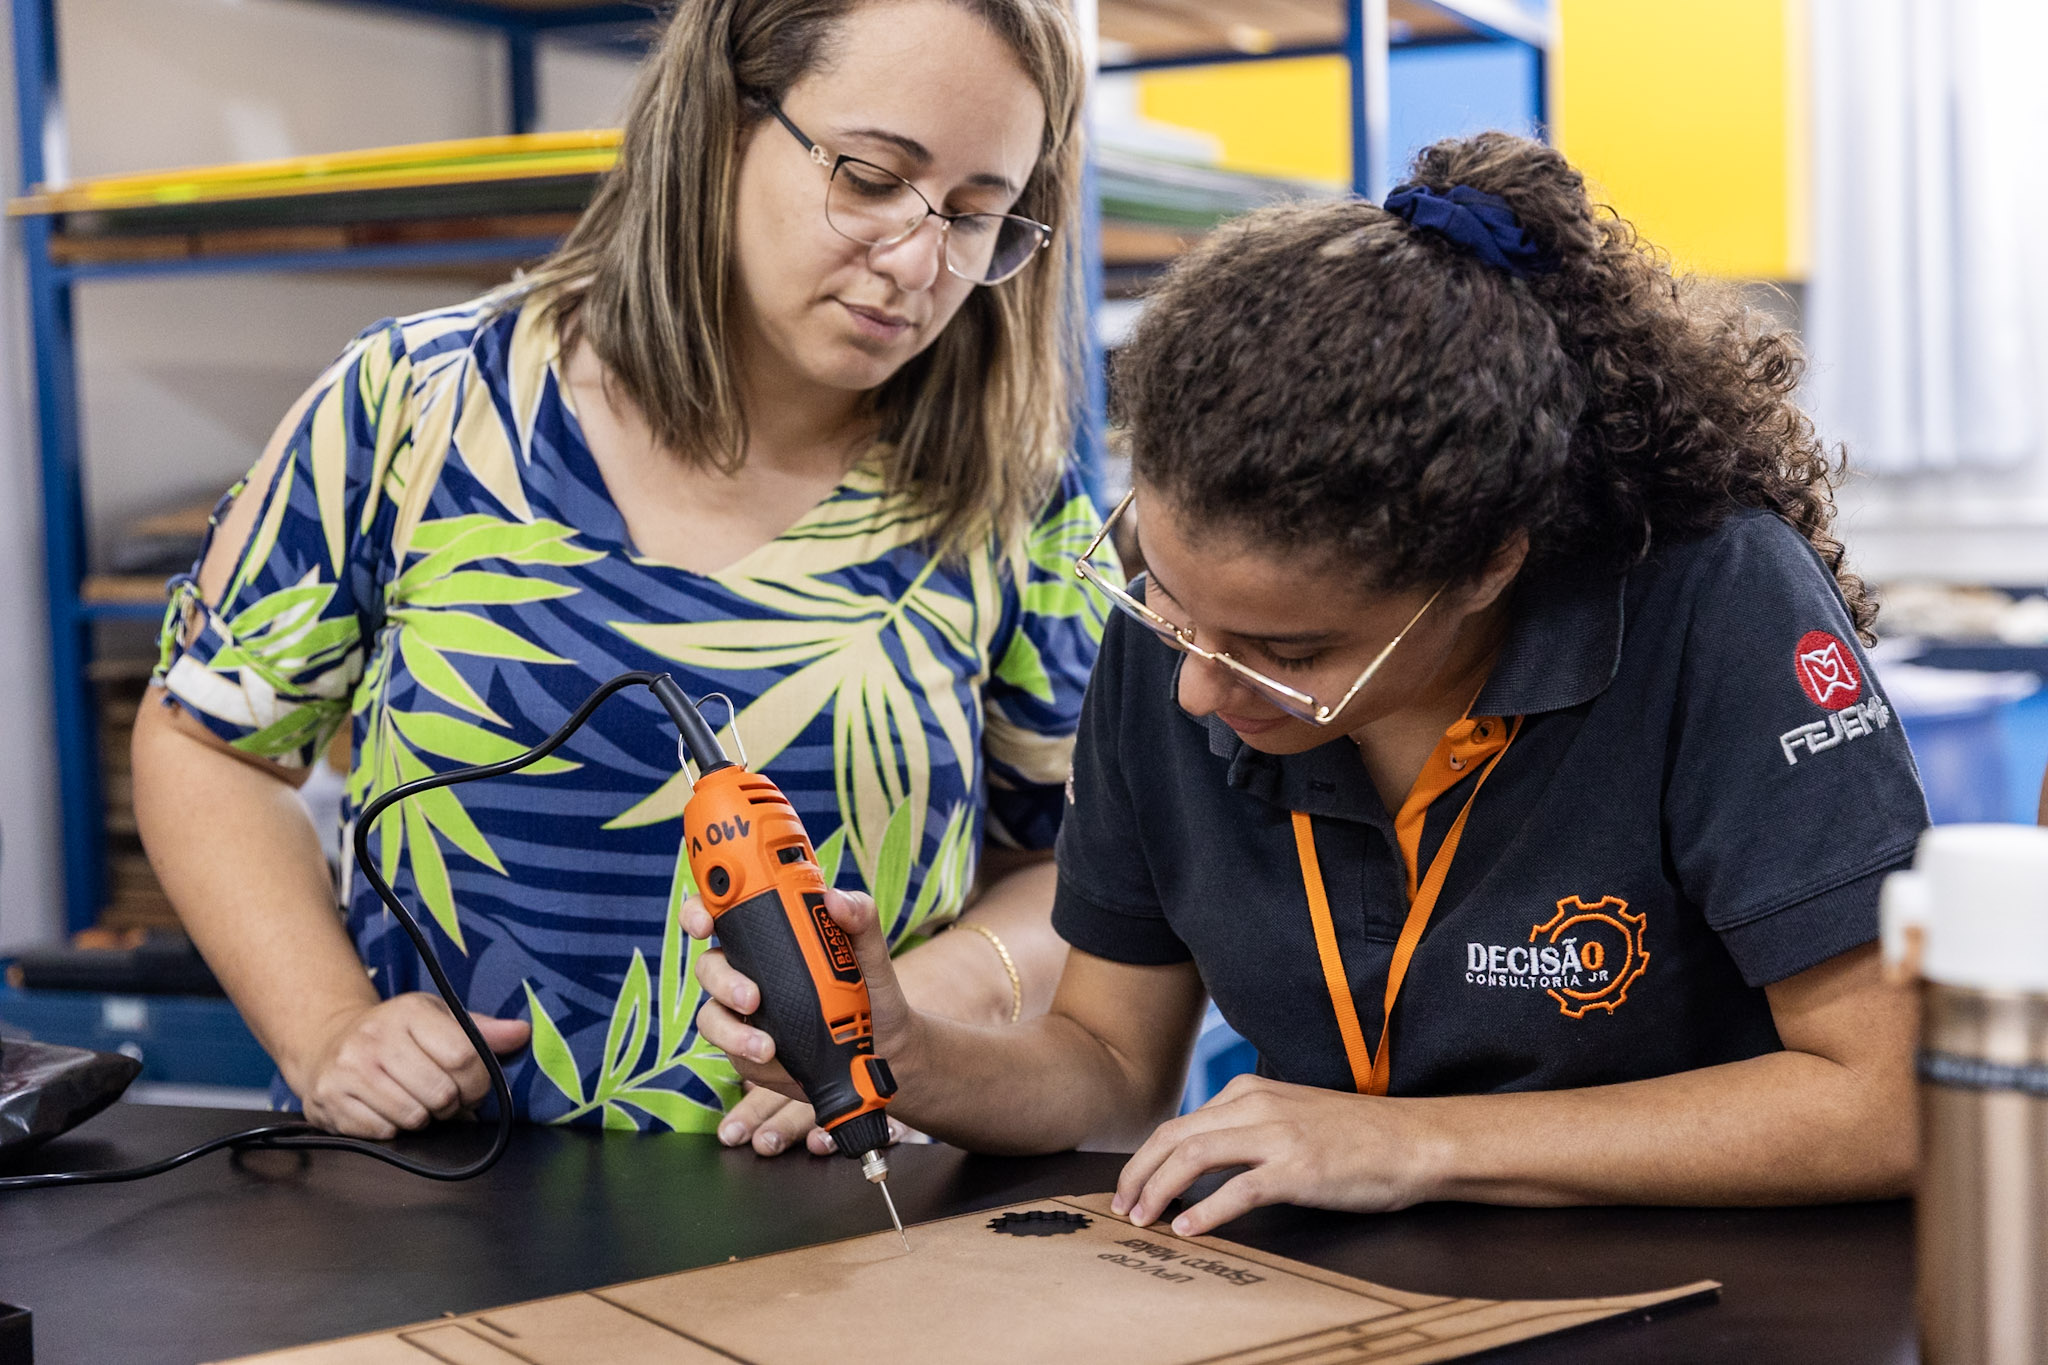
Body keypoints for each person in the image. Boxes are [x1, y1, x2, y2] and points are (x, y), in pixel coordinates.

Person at [690, 132, 1930, 1232]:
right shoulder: (1186, 617)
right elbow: (1110, 1069)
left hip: (1712, 1292)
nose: (1196, 690)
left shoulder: (1711, 602)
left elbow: (1884, 1101)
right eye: (1165, 602)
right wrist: (908, 1055)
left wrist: (1411, 1145)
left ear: (1490, 564)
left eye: (1289, 656)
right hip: (1331, 1282)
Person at [132, 0, 1107, 1153]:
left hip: (839, 1209)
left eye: (976, 216)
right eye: (869, 176)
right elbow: (209, 742)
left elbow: (1089, 868)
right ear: (719, 124)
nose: (917, 260)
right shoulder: (416, 405)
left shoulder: (1008, 495)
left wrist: (935, 999)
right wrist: (326, 1027)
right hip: (441, 1199)